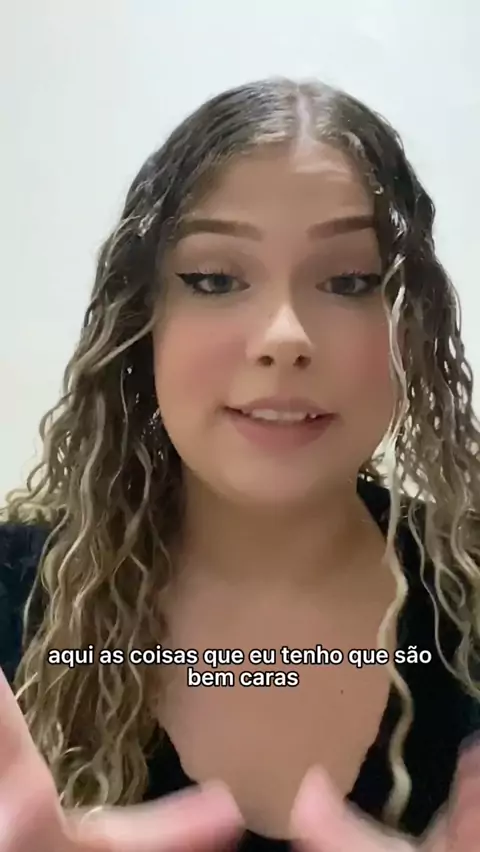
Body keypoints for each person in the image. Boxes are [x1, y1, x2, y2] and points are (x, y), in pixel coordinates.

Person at [0, 76, 479, 852]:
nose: (284, 336)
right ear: (142, 323)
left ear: (410, 329)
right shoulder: (10, 601)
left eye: (349, 280)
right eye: (215, 279)